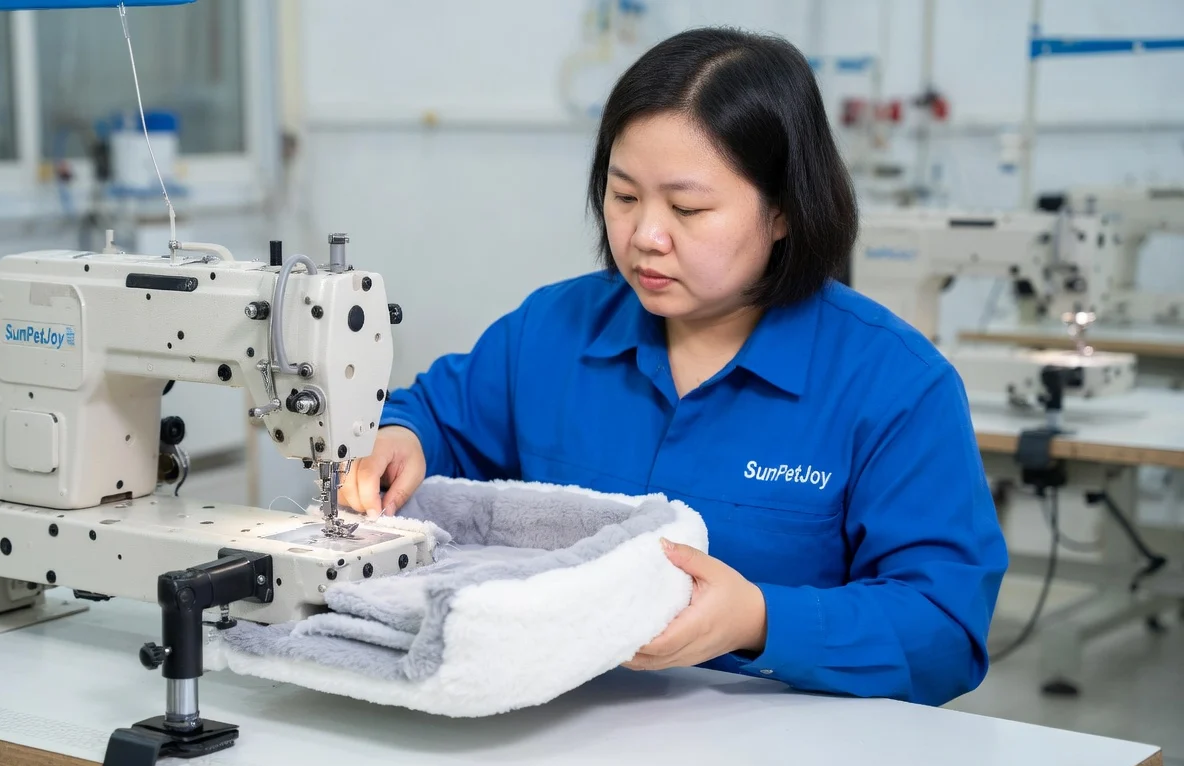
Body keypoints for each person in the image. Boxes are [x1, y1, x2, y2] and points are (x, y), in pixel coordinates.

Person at [338, 27, 1008, 707]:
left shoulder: (894, 386)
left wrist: (760, 621)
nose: (644, 237)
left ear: (781, 211)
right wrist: (398, 437)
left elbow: (946, 628)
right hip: (548, 728)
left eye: (687, 208)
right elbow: (435, 416)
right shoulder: (551, 331)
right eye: (624, 197)